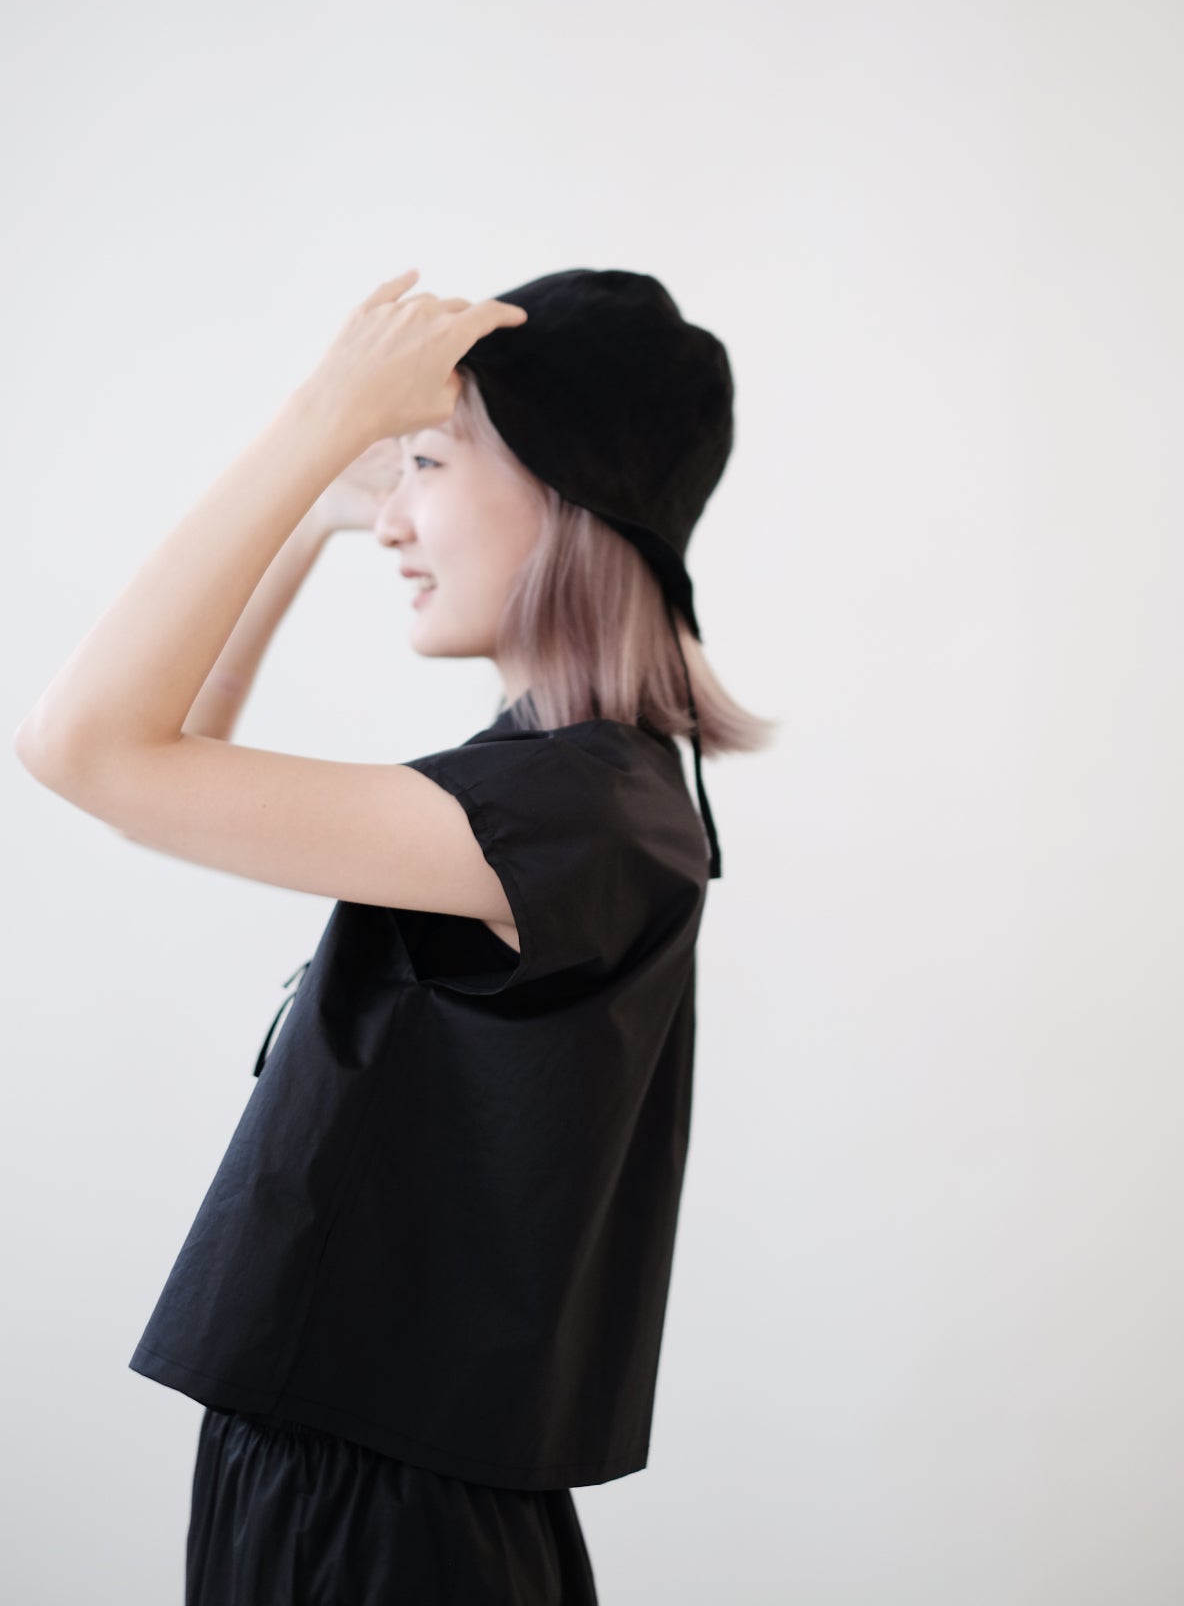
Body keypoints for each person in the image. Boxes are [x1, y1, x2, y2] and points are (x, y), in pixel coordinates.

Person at [15, 267, 778, 1604]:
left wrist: (318, 419)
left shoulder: (562, 818)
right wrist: (318, 500)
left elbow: (90, 748)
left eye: (428, 461)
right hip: (376, 1502)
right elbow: (152, 774)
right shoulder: (572, 797)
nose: (394, 521)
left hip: (376, 1525)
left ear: (564, 491)